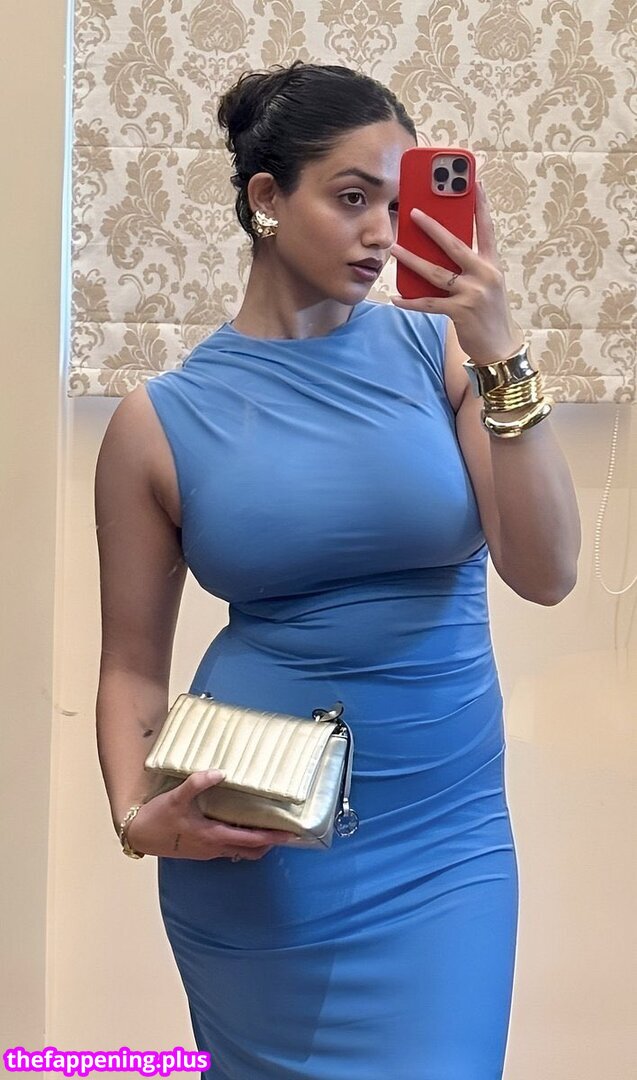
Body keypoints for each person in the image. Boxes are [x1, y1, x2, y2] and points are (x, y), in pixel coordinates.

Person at [95, 61, 581, 1080]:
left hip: (447, 844)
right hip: (260, 844)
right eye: (352, 198)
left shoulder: (440, 357)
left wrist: (501, 352)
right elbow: (130, 667)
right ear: (266, 198)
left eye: (397, 206)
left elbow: (546, 571)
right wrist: (136, 817)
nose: (380, 233)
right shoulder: (158, 421)